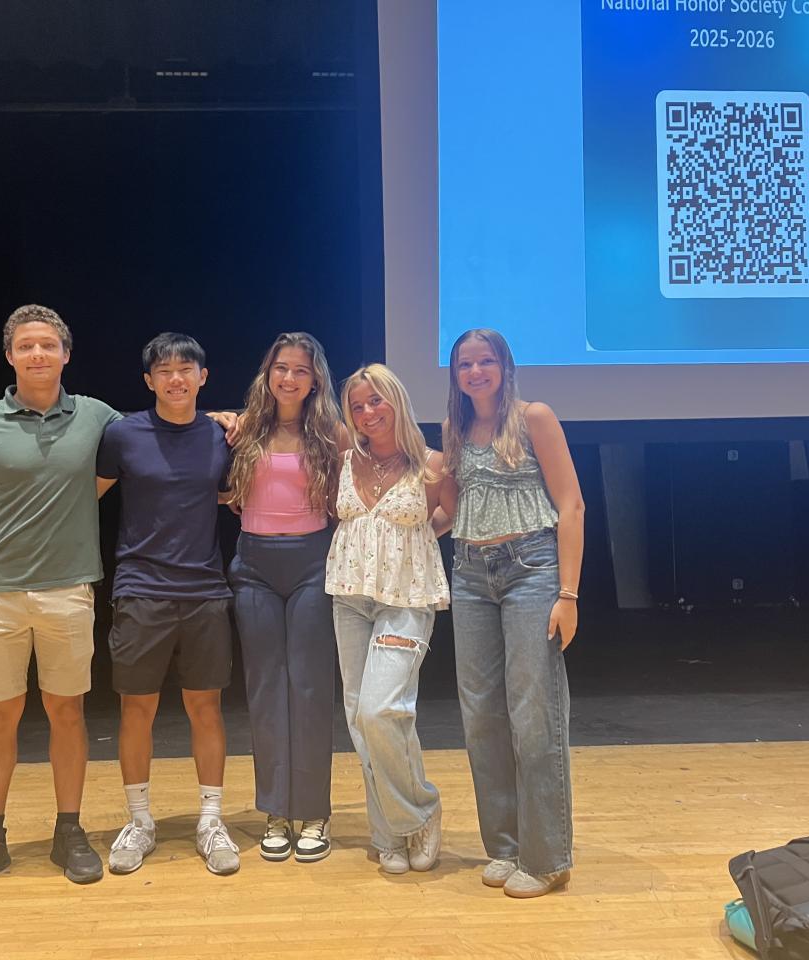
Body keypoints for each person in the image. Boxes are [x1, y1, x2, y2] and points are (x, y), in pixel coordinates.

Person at [0, 304, 118, 893]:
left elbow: (158, 435)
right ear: (10, 356)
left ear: (66, 353)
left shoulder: (96, 417)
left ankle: (69, 831)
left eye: (47, 344)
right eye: (25, 346)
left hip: (68, 591)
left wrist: (221, 418)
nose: (37, 354)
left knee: (67, 712)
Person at [440, 327, 585, 899]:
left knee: (534, 714)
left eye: (485, 361)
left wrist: (568, 595)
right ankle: (504, 846)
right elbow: (453, 511)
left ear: (504, 366)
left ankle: (547, 859)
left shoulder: (533, 418)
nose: (475, 372)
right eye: (464, 364)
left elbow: (571, 504)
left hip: (532, 569)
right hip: (471, 572)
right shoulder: (454, 429)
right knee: (481, 715)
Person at [95, 333, 241, 877]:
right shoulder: (122, 435)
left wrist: (235, 421)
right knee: (137, 709)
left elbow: (227, 493)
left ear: (203, 376)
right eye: (164, 370)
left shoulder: (221, 435)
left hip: (205, 590)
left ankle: (211, 821)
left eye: (186, 369)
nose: (175, 378)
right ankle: (140, 821)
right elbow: (84, 497)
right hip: (140, 589)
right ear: (148, 380)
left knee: (207, 707)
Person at [325, 363, 451, 875]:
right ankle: (389, 834)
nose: (367, 412)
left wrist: (411, 541)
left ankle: (420, 810)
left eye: (376, 400)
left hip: (406, 599)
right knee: (362, 719)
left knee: (382, 711)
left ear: (397, 400)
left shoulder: (433, 465)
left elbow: (450, 514)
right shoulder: (343, 458)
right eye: (357, 405)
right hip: (350, 598)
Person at [224, 332, 344, 863]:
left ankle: (313, 812)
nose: (289, 377)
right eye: (280, 367)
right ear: (267, 373)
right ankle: (275, 810)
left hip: (312, 562)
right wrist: (217, 419)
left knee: (310, 687)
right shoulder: (245, 427)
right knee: (265, 687)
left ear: (315, 379)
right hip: (254, 565)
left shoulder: (333, 433)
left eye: (300, 369)